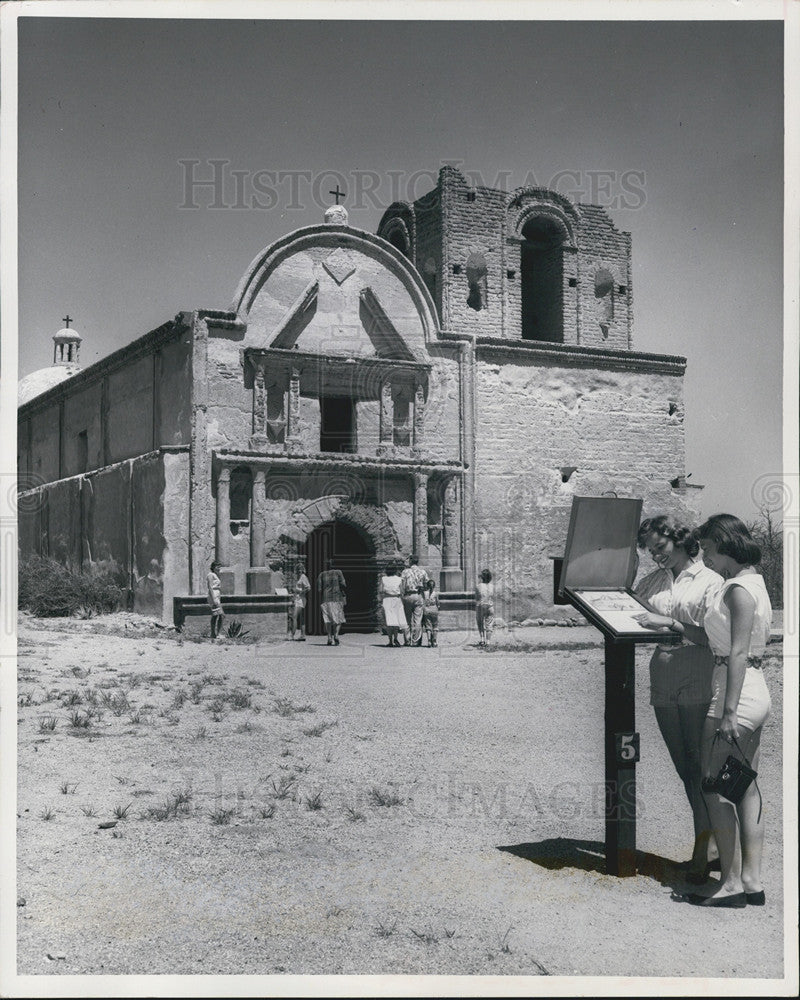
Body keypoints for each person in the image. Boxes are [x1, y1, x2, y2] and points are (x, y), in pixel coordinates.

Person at [631, 514, 723, 882]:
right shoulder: (652, 580)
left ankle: (704, 853)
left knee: (701, 768)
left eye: (661, 547)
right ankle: (709, 844)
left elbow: (713, 638)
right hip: (663, 673)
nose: (657, 556)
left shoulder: (711, 580)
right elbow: (622, 607)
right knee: (685, 770)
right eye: (650, 551)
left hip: (697, 669)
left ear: (680, 539)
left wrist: (671, 624)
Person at [688, 514, 772, 907]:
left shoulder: (737, 588)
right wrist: (669, 626)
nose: (705, 554)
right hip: (752, 691)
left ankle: (731, 882)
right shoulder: (753, 582)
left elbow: (736, 652)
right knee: (744, 785)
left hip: (735, 695)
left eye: (707, 548)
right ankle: (753, 881)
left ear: (723, 544)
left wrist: (727, 712)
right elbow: (722, 642)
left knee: (714, 785)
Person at [400, 555, 429, 647]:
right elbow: (427, 585)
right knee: (418, 619)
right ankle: (416, 641)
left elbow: (402, 585)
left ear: (411, 562)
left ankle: (407, 640)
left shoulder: (405, 572)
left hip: (408, 595)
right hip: (418, 595)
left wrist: (402, 595)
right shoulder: (423, 572)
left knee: (407, 619)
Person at [317, 558, 346, 646]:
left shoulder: (321, 575)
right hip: (337, 598)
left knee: (327, 619)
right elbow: (344, 584)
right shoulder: (338, 572)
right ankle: (336, 635)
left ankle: (329, 637)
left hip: (326, 599)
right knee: (338, 618)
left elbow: (319, 589)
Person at [379, 562, 406, 647]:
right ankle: (396, 638)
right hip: (396, 599)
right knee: (396, 620)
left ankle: (390, 640)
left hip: (387, 599)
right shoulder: (399, 579)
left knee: (389, 621)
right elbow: (402, 591)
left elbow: (380, 590)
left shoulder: (383, 579)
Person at [291, 560, 311, 641]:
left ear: (303, 570)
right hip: (296, 598)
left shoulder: (303, 577)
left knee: (294, 616)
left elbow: (308, 587)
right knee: (302, 618)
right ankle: (303, 635)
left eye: (301, 569)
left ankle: (292, 635)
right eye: (298, 569)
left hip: (301, 599)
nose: (299, 571)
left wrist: (300, 592)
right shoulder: (296, 577)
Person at [475, 568, 494, 646]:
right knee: (489, 623)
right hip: (490, 605)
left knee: (480, 622)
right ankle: (488, 641)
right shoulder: (492, 586)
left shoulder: (478, 586)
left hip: (481, 605)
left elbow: (476, 597)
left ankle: (482, 639)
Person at [206, 560, 224, 640]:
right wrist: (214, 598)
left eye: (219, 566)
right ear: (213, 567)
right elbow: (210, 587)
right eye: (217, 566)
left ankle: (213, 634)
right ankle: (218, 633)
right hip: (213, 596)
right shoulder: (210, 575)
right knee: (222, 615)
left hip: (217, 596)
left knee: (216, 615)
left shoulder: (216, 575)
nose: (219, 568)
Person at [422, 578, 440, 648]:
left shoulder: (425, 593)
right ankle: (434, 641)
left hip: (427, 609)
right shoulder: (436, 593)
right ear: (434, 586)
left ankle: (429, 641)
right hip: (434, 609)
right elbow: (438, 603)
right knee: (435, 626)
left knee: (428, 626)